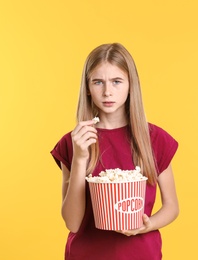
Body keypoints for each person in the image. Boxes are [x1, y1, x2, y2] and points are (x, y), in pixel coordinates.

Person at [51, 43, 179, 260]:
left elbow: (172, 206)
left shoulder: (154, 140)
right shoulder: (74, 142)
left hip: (141, 254)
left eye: (117, 82)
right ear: (88, 88)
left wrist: (146, 226)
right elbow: (72, 223)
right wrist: (81, 158)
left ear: (131, 85)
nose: (107, 92)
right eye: (98, 82)